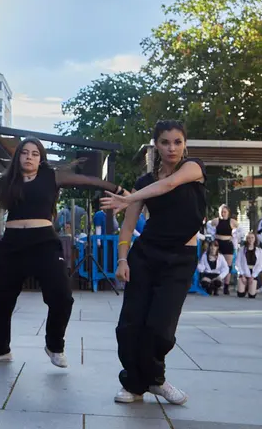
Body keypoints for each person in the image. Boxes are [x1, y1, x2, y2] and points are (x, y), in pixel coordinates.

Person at [0, 137, 127, 369]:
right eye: (25, 153)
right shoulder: (6, 182)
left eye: (35, 154)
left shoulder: (51, 176)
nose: (29, 157)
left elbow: (88, 180)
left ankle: (55, 345)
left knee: (62, 297)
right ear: (18, 157)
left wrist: (120, 190)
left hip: (43, 242)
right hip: (12, 245)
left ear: (40, 159)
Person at [101, 120, 206, 406]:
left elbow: (169, 184)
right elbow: (128, 226)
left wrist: (129, 198)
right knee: (129, 325)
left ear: (185, 144)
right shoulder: (144, 183)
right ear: (156, 145)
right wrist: (122, 258)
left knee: (160, 328)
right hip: (145, 256)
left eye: (177, 142)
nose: (172, 147)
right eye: (165, 142)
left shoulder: (193, 169)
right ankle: (135, 385)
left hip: (179, 260)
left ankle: (155, 380)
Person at [209, 205, 237, 295]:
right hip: (218, 244)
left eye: (225, 211)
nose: (223, 213)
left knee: (228, 266)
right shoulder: (216, 221)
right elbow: (208, 226)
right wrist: (213, 235)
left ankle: (226, 286)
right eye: (222, 211)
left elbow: (239, 230)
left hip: (228, 244)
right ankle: (217, 285)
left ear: (228, 212)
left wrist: (235, 237)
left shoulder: (232, 221)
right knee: (217, 264)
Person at [235, 232, 261, 298]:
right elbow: (238, 263)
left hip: (253, 273)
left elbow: (260, 265)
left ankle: (251, 288)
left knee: (251, 296)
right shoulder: (241, 249)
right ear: (246, 239)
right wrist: (242, 275)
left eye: (252, 238)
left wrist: (253, 276)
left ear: (255, 239)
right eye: (249, 238)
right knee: (240, 294)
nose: (250, 239)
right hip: (244, 272)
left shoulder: (259, 251)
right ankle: (245, 287)